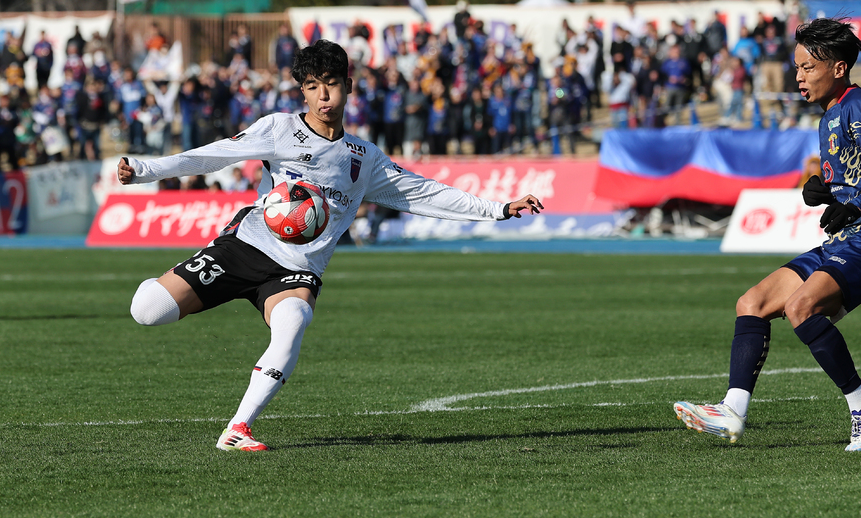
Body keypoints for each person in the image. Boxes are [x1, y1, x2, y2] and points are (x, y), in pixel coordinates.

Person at [116, 39, 543, 452]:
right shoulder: (279, 128)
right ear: (302, 91)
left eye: (332, 84)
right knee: (147, 311)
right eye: (313, 86)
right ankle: (171, 279)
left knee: (294, 319)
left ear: (348, 86)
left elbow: (425, 192)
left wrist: (498, 208)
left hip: (297, 269)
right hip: (244, 247)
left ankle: (238, 428)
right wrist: (144, 170)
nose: (324, 96)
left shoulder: (364, 157)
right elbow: (214, 155)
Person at [674, 18, 861, 452]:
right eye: (796, 67)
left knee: (800, 307)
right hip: (844, 241)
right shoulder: (829, 116)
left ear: (838, 68)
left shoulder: (858, 107)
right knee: (752, 303)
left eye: (807, 67)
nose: (798, 76)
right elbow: (851, 179)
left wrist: (853, 205)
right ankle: (732, 411)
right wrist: (826, 192)